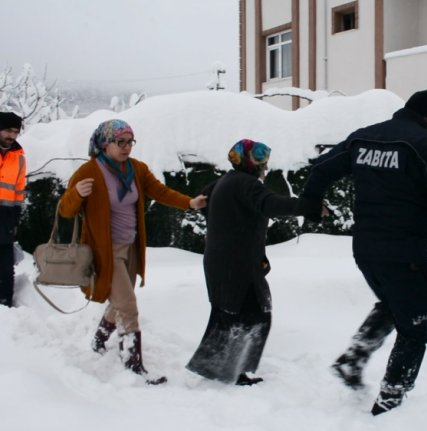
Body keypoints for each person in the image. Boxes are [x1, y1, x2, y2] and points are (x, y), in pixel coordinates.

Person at [298, 89, 427, 415]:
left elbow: (322, 167)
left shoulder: (364, 138)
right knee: (418, 326)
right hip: (405, 254)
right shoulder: (426, 145)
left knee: (395, 304)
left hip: (366, 251)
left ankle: (353, 359)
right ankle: (391, 402)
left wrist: (311, 204)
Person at [58, 119, 207, 385]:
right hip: (105, 251)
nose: (127, 147)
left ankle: (99, 340)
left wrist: (189, 202)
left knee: (120, 301)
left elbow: (159, 192)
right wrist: (76, 195)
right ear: (105, 143)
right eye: (120, 142)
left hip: (131, 247)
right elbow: (65, 211)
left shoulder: (136, 169)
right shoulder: (88, 172)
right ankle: (133, 364)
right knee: (128, 305)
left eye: (130, 142)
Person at [186, 138, 310, 385]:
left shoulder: (225, 181)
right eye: (260, 157)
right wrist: (310, 206)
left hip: (226, 261)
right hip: (235, 264)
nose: (265, 164)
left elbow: (205, 202)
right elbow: (271, 204)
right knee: (252, 314)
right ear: (248, 161)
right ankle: (222, 369)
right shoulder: (246, 184)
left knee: (233, 314)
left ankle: (221, 368)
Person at [0, 112, 25, 308]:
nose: (12, 135)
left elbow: (18, 191)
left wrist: (15, 219)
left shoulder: (19, 157)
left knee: (6, 268)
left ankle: (4, 304)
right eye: (8, 130)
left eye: (16, 132)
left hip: (5, 218)